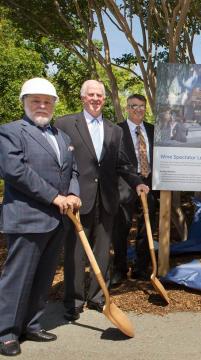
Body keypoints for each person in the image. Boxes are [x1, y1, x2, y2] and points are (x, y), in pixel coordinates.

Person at [55, 80, 149, 321]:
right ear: (83, 97)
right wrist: (63, 193)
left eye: (100, 95)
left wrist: (136, 181)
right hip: (77, 199)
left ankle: (97, 296)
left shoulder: (113, 130)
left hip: (107, 199)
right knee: (75, 252)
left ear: (104, 99)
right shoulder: (65, 124)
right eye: (91, 95)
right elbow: (60, 163)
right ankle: (74, 301)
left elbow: (122, 164)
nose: (96, 99)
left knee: (102, 251)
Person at [0, 78, 81, 356]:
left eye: (47, 101)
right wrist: (54, 197)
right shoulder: (10, 132)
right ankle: (6, 332)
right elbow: (16, 172)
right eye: (36, 101)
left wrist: (73, 193)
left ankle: (31, 325)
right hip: (27, 218)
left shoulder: (62, 137)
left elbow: (72, 172)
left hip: (57, 219)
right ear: (24, 102)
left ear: (54, 104)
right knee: (18, 277)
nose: (42, 106)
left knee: (44, 275)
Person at [111, 94, 157, 286]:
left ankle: (140, 268)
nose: (138, 109)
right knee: (121, 228)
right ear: (127, 107)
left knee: (146, 229)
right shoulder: (116, 131)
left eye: (141, 106)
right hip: (125, 185)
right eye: (134, 106)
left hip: (150, 184)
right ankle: (120, 269)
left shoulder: (153, 130)